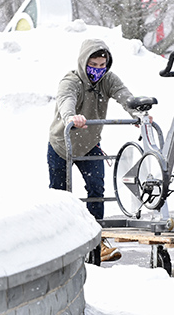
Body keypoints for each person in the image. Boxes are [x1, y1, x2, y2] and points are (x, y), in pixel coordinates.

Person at [48, 38, 140, 262]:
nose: (98, 70)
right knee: (59, 194)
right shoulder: (71, 81)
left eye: (102, 66)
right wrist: (71, 116)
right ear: (83, 62)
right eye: (93, 65)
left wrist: (137, 112)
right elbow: (65, 100)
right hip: (62, 143)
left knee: (96, 189)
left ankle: (97, 239)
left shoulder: (107, 80)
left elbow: (123, 94)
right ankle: (58, 240)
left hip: (90, 144)